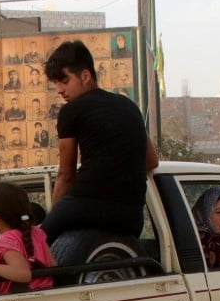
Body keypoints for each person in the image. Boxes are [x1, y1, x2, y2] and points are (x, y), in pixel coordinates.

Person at [41, 40, 159, 244]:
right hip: (131, 218)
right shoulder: (129, 106)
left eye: (64, 81)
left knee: (37, 243)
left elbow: (66, 175)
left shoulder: (71, 111)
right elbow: (152, 161)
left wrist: (52, 223)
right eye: (56, 83)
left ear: (86, 75)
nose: (59, 90)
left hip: (86, 207)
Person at [0, 183, 55, 294]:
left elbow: (24, 273)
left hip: (18, 299)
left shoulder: (5, 241)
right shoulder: (36, 232)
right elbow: (52, 264)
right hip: (48, 293)